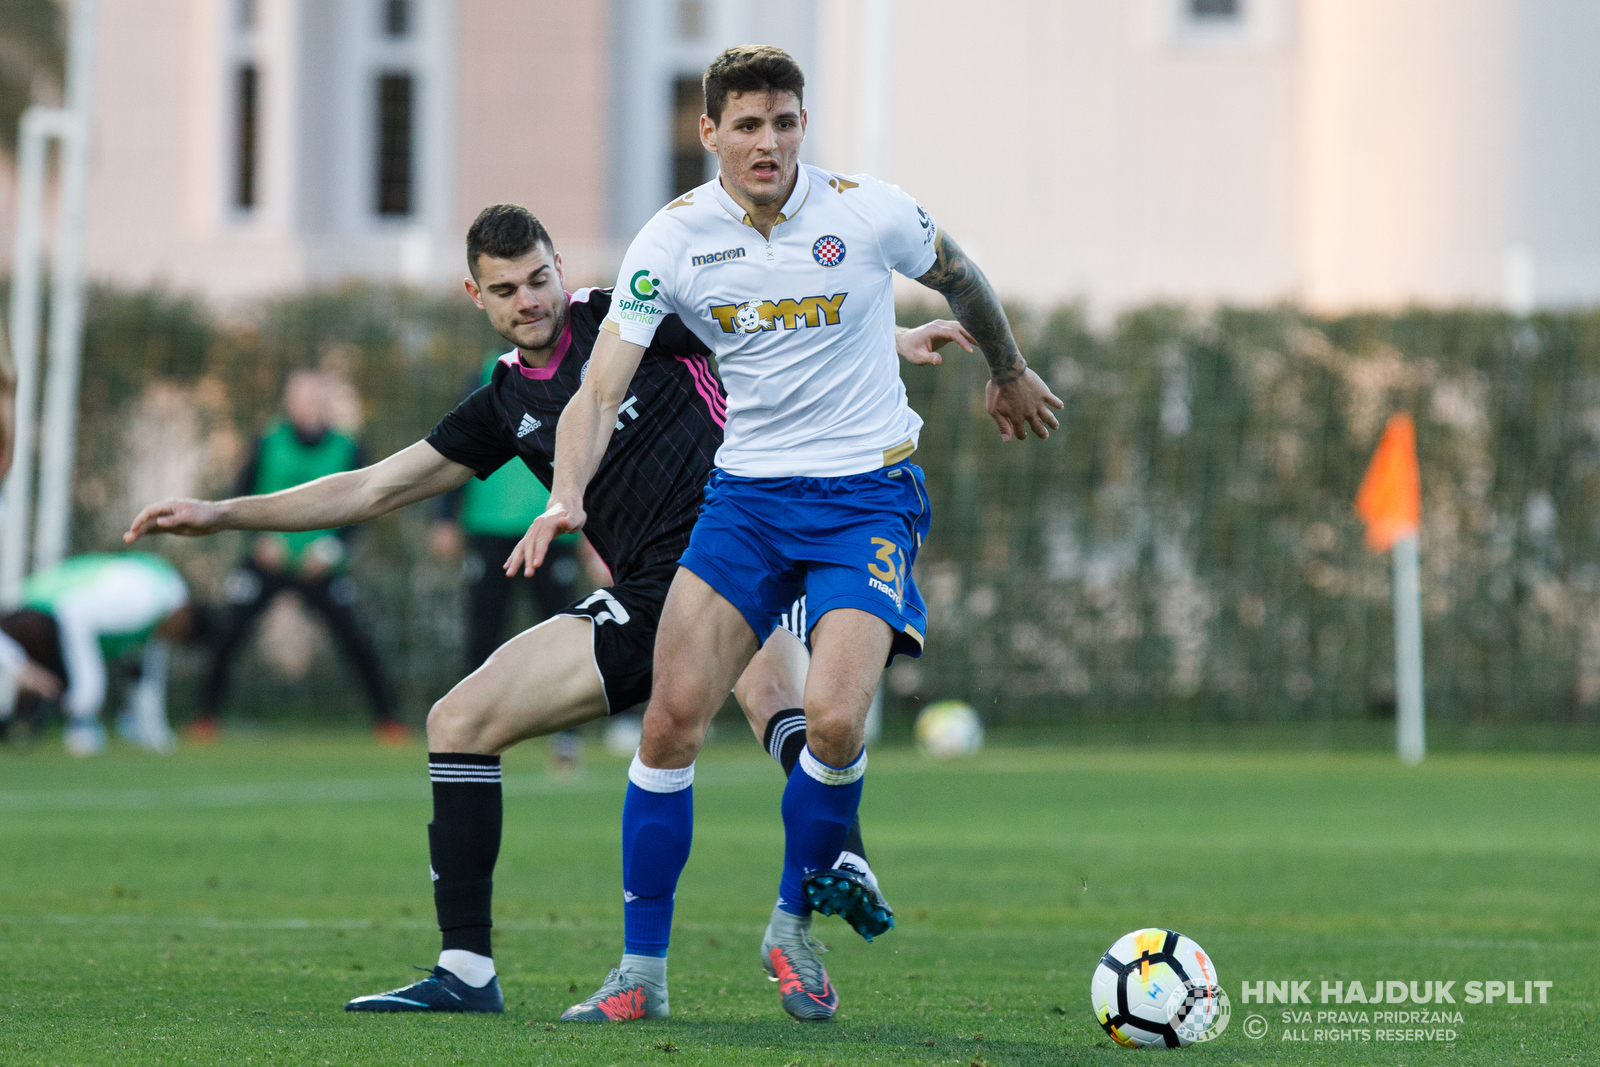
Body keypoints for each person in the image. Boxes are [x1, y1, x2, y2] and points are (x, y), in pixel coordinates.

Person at [125, 203, 965, 1015]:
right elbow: (375, 486)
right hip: (645, 595)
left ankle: (827, 870)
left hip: (733, 558)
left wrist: (888, 339)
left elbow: (765, 336)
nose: (529, 300)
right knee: (458, 720)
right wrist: (222, 513)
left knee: (787, 706)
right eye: (507, 289)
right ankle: (465, 970)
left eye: (539, 278)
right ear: (476, 297)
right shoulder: (499, 403)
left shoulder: (627, 317)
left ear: (560, 268)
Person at [522, 46, 1061, 1023]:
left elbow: (962, 275)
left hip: (868, 498)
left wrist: (1009, 368)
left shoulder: (867, 209)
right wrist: (567, 490)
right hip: (745, 504)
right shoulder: (674, 241)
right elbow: (598, 387)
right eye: (749, 125)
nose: (769, 142)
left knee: (835, 720)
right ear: (710, 133)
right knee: (669, 717)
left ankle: (790, 921)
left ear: (802, 124)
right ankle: (640, 971)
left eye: (784, 121)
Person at [193, 369, 402, 743]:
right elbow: (237, 495)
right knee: (228, 633)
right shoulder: (266, 440)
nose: (310, 404)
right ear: (288, 402)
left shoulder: (350, 446)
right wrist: (258, 539)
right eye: (302, 396)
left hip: (320, 566)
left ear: (327, 402)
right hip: (267, 560)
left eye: (316, 396)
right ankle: (205, 718)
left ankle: (387, 721)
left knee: (355, 638)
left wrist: (330, 549)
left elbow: (365, 507)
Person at [0, 552, 204, 755]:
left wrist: (155, 733)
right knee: (63, 680)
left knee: (53, 682)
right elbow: (75, 613)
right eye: (180, 637)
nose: (171, 641)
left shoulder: (161, 596)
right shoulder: (145, 603)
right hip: (34, 611)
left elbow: (143, 673)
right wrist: (86, 700)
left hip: (46, 614)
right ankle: (79, 727)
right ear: (183, 617)